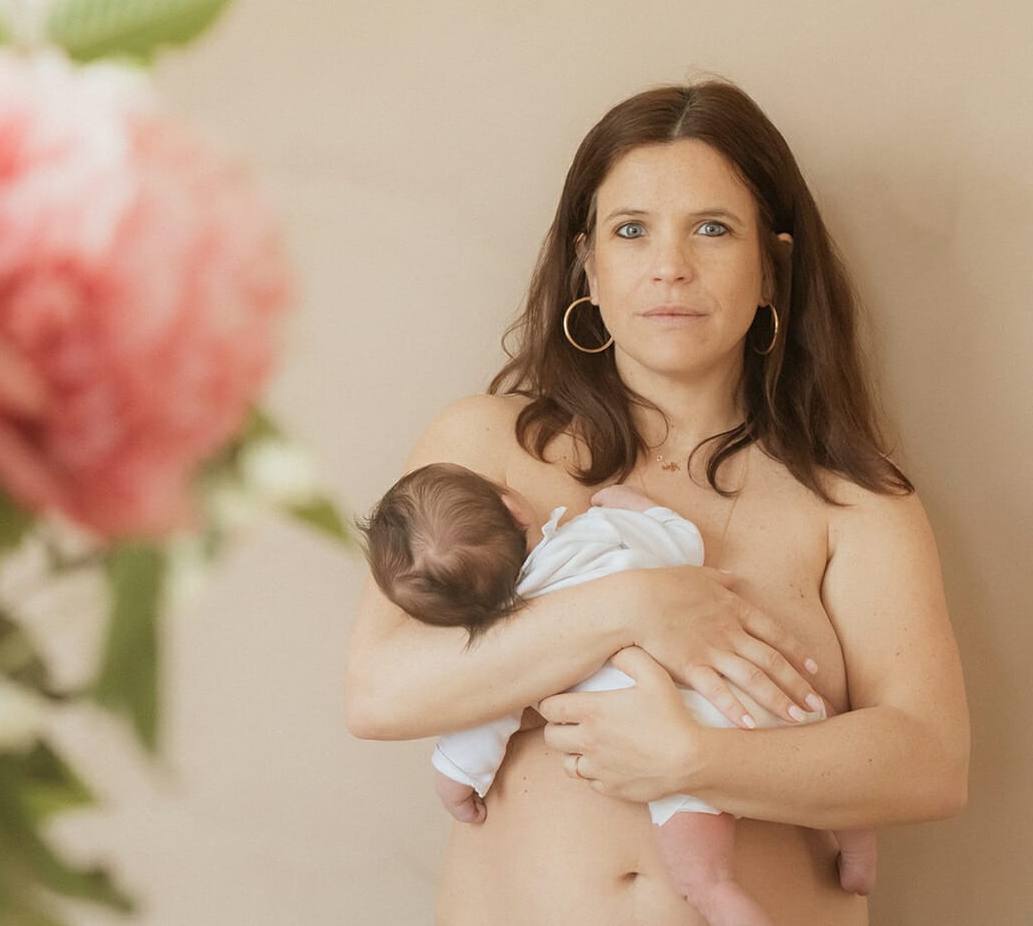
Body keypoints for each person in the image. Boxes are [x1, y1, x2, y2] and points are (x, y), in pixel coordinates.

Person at [343, 79, 968, 925]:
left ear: (771, 268)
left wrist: (693, 759)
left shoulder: (852, 498)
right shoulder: (484, 449)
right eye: (631, 231)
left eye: (712, 229)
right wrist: (632, 608)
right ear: (587, 266)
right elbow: (380, 694)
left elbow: (931, 761)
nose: (670, 266)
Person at [358, 462, 878, 926]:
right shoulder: (597, 533)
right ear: (514, 507)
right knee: (817, 732)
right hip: (741, 693)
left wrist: (456, 782)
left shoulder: (519, 643)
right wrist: (639, 507)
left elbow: (485, 721)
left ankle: (722, 901)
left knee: (707, 880)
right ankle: (855, 841)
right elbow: (683, 543)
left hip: (679, 755)